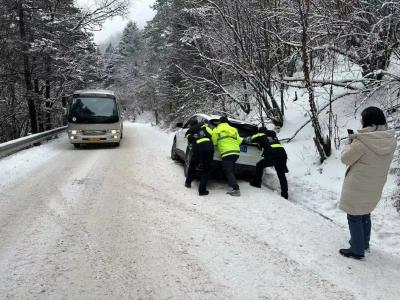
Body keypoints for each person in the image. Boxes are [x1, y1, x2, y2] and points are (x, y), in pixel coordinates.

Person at [339, 106, 396, 260]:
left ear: (367, 122)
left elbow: (345, 159)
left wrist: (349, 143)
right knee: (365, 213)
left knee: (354, 216)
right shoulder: (390, 139)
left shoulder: (361, 142)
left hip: (358, 184)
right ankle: (363, 243)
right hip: (375, 184)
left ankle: (357, 249)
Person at [246, 127, 289, 199]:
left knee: (259, 165)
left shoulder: (262, 136)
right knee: (281, 175)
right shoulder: (274, 137)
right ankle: (285, 194)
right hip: (282, 154)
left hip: (273, 154)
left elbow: (250, 140)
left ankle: (256, 183)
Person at [212, 116, 243, 196]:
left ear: (220, 122)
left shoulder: (216, 129)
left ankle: (236, 189)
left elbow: (214, 142)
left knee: (228, 170)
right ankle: (231, 182)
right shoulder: (234, 129)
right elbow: (239, 140)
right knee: (231, 169)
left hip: (226, 152)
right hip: (236, 152)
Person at [184, 119, 214, 196]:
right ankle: (202, 191)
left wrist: (193, 137)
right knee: (206, 169)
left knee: (192, 165)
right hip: (208, 148)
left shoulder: (191, 129)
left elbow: (187, 136)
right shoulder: (206, 127)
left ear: (191, 125)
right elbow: (213, 136)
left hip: (197, 149)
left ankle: (188, 183)